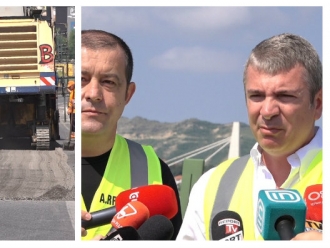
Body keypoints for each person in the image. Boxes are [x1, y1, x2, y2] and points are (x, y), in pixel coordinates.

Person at [177, 33, 323, 241]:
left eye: (284, 96)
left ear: (317, 103)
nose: (267, 110)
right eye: (256, 96)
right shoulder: (211, 185)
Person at [80, 29, 183, 240]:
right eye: (82, 78)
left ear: (128, 94)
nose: (93, 94)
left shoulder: (155, 172)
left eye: (108, 82)